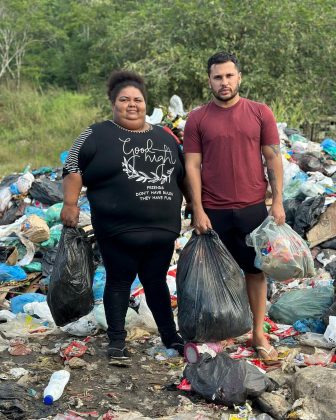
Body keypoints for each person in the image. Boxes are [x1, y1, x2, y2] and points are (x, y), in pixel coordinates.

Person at [61, 70, 186, 363]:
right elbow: (71, 165)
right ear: (113, 103)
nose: (132, 104)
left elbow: (183, 175)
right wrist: (70, 203)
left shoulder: (164, 137)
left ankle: (171, 337)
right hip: (118, 231)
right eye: (124, 99)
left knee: (156, 282)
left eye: (138, 99)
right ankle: (117, 342)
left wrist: (196, 205)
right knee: (119, 282)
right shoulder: (95, 134)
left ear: (146, 103)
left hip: (161, 231)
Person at [183, 52, 285, 362]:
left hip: (252, 209)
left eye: (229, 76)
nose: (224, 82)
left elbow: (272, 158)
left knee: (255, 272)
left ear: (238, 77)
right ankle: (219, 332)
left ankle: (257, 332)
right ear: (209, 81)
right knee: (214, 274)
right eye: (218, 77)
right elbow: (192, 166)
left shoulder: (259, 112)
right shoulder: (197, 118)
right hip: (213, 212)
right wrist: (197, 209)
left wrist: (277, 200)